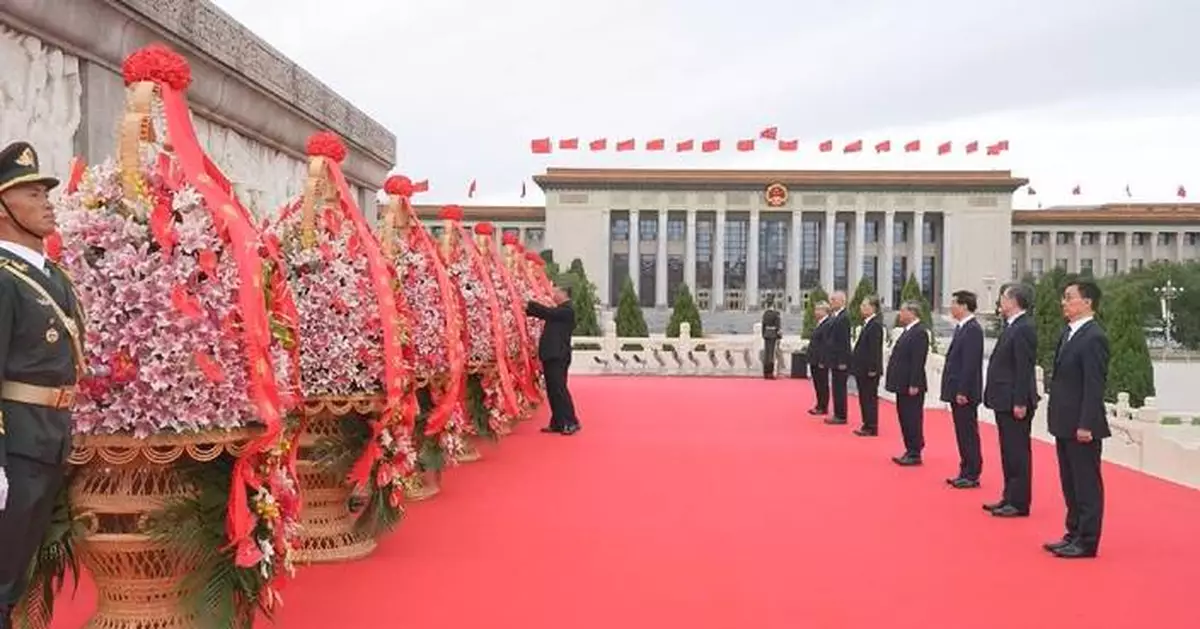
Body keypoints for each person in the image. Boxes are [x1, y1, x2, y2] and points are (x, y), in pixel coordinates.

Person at [0, 142, 84, 629]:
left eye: (45, 192)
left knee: (17, 564)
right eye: (31, 193)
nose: (47, 201)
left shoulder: (51, 275)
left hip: (49, 436)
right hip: (16, 442)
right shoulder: (4, 279)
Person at [1044, 279, 1109, 558]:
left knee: (1086, 484)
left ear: (1087, 303)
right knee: (1069, 482)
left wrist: (1086, 423)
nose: (1064, 302)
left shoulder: (1094, 337)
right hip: (1064, 421)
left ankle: (1087, 540)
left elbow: (1094, 385)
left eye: (1069, 297)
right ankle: (1073, 532)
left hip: (1082, 425)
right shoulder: (1068, 333)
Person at [983, 283, 1039, 517]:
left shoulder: (1023, 328)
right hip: (1003, 399)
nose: (1000, 302)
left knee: (1017, 452)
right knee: (1008, 451)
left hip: (1014, 401)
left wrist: (1020, 402)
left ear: (1014, 301)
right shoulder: (1012, 326)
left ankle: (1019, 502)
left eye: (1003, 298)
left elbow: (1023, 368)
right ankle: (1009, 496)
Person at [941, 290, 985, 488]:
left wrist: (962, 391)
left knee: (968, 432)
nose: (951, 308)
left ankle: (972, 472)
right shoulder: (962, 328)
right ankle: (965, 469)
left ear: (964, 306)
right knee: (961, 432)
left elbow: (970, 363)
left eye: (954, 304)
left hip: (964, 392)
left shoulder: (973, 329)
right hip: (957, 389)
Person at [526, 285, 580, 436]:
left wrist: (528, 303)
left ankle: (571, 421)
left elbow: (546, 312)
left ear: (564, 293)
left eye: (556, 291)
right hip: (551, 355)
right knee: (552, 391)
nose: (553, 294)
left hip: (558, 356)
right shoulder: (559, 311)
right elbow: (546, 313)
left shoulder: (567, 310)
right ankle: (557, 421)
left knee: (560, 389)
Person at [884, 301, 928, 465]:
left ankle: (915, 451)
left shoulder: (919, 332)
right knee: (905, 417)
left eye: (902, 311)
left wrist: (914, 383)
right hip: (902, 383)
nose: (899, 314)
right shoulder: (907, 331)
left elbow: (918, 361)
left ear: (912, 312)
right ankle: (909, 448)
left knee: (912, 418)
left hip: (911, 385)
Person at [852, 295, 884, 437]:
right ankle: (866, 423)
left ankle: (871, 425)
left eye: (865, 306)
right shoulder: (867, 323)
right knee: (864, 397)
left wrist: (873, 368)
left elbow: (874, 349)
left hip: (869, 370)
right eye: (862, 305)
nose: (862, 308)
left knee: (869, 398)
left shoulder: (875, 325)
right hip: (862, 368)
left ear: (873, 308)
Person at [825, 291, 852, 425]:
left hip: (840, 360)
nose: (831, 302)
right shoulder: (835, 316)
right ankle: (837, 412)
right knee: (836, 387)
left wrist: (842, 361)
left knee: (840, 388)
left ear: (842, 301)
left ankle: (841, 415)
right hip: (834, 358)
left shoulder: (844, 317)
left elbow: (844, 341)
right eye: (831, 300)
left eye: (834, 300)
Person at [806, 301, 831, 417]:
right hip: (814, 359)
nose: (815, 312)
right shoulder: (820, 323)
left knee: (822, 383)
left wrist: (822, 360)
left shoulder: (827, 324)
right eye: (815, 309)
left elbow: (826, 345)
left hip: (820, 360)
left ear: (824, 311)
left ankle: (823, 406)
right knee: (817, 383)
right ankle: (819, 404)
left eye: (818, 309)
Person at [760, 297, 781, 379]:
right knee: (771, 354)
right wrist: (779, 336)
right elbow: (778, 326)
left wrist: (763, 334)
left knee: (766, 353)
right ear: (773, 305)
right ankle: (770, 373)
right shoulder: (776, 314)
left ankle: (765, 372)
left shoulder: (765, 314)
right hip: (773, 334)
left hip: (766, 334)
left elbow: (763, 325)